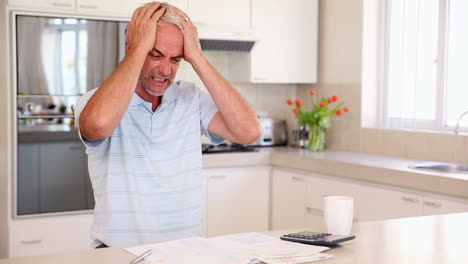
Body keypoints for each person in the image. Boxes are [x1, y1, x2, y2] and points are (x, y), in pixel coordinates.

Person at [75, 2, 260, 248]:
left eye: (176, 59)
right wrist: (140, 48)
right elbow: (97, 125)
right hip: (117, 253)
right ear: (131, 49)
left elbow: (249, 132)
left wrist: (197, 57)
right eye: (155, 54)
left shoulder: (191, 98)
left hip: (184, 252)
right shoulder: (95, 101)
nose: (165, 70)